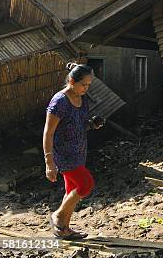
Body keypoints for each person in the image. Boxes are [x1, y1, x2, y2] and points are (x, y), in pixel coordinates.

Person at [42, 63, 105, 240]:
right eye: (83, 84)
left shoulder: (82, 99)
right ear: (71, 81)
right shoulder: (59, 101)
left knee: (71, 190)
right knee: (86, 184)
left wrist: (92, 124)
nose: (86, 88)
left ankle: (64, 230)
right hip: (63, 154)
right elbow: (48, 132)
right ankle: (59, 216)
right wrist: (49, 162)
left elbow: (79, 124)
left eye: (88, 85)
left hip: (79, 151)